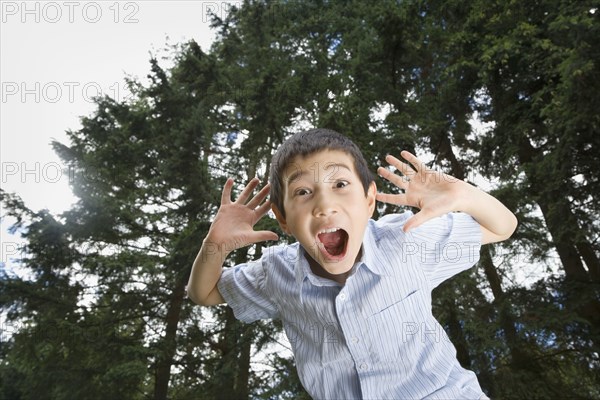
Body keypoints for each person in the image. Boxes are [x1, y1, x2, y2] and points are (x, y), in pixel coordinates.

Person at [187, 128, 517, 399]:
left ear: (369, 200)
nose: (325, 206)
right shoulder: (277, 273)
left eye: (341, 184)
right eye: (303, 192)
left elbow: (502, 226)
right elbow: (204, 293)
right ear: (283, 220)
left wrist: (463, 195)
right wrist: (215, 246)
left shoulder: (406, 240)